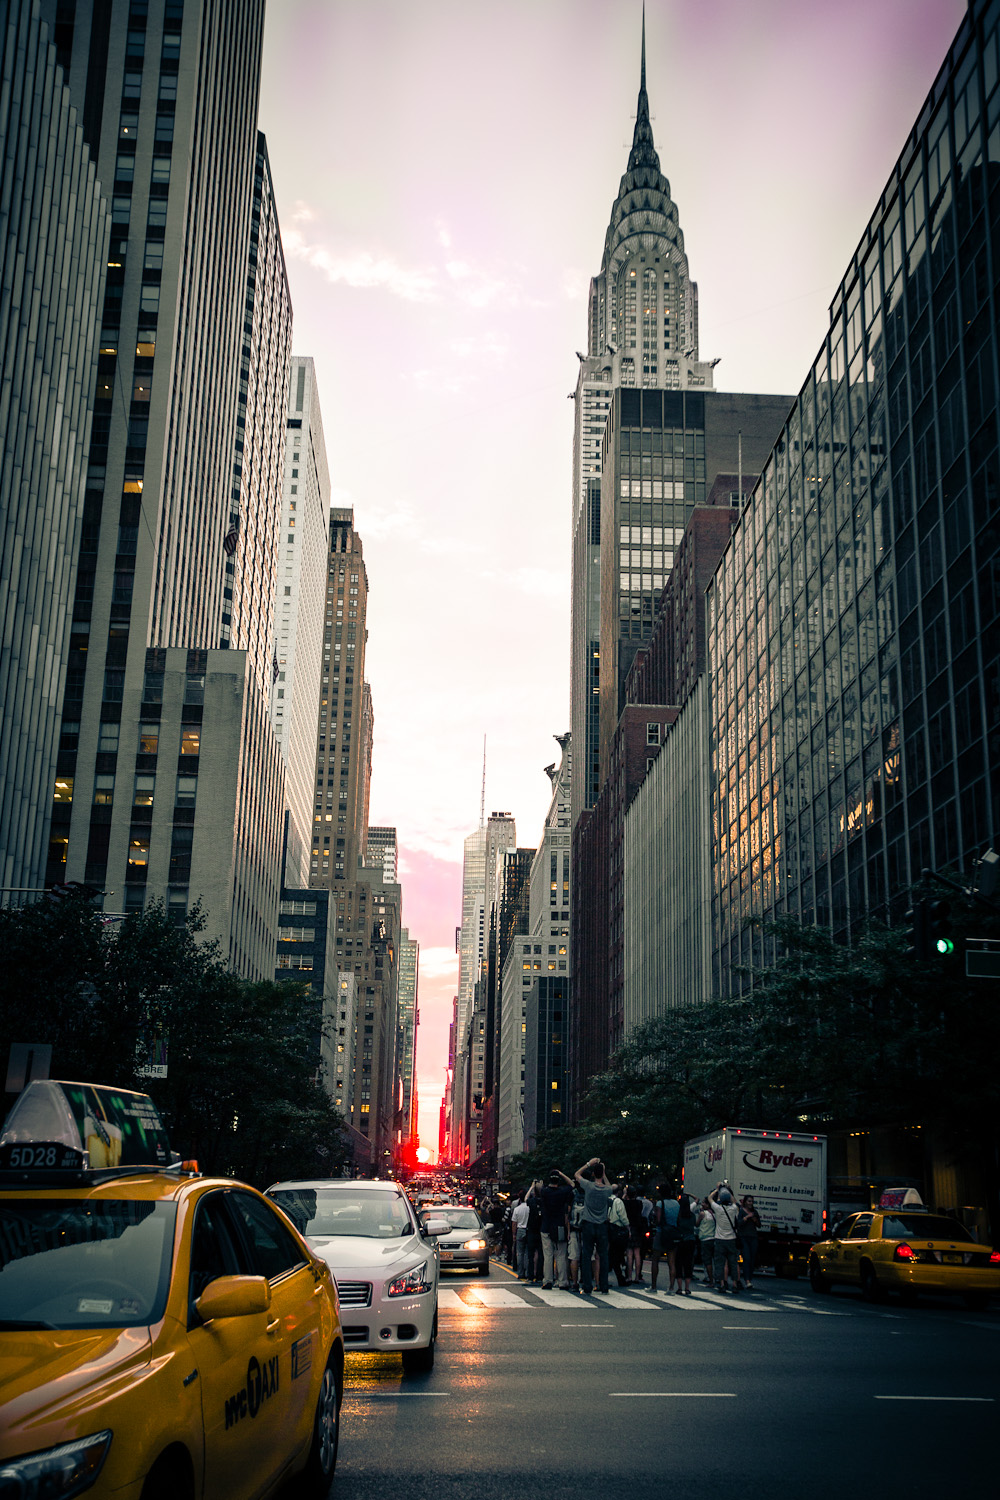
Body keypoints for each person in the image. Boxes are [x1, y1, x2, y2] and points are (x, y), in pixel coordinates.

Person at [573, 1156, 618, 1294]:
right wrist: (604, 1174)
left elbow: (576, 1174)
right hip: (602, 1225)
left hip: (588, 1224)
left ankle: (587, 1286)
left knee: (586, 1255)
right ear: (602, 1174)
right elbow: (612, 1186)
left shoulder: (588, 1186)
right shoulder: (607, 1190)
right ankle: (604, 1286)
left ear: (593, 1174)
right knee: (603, 1256)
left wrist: (588, 1164)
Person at [538, 1170, 573, 1289]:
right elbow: (572, 1185)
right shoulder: (562, 1191)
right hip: (559, 1226)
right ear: (558, 1180)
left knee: (548, 1255)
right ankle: (562, 1281)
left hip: (546, 1226)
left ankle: (548, 1280)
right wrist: (562, 1174)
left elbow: (538, 1188)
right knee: (561, 1255)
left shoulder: (544, 1192)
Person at [708, 1182, 741, 1293]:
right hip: (731, 1239)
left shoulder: (718, 1209)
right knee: (733, 1262)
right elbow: (735, 1202)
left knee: (720, 1263)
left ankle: (722, 1284)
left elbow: (710, 1198)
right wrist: (728, 1190)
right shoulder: (733, 1209)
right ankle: (735, 1284)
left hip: (720, 1239)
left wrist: (718, 1189)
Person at [651, 1182, 679, 1292]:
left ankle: (654, 1286)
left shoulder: (660, 1203)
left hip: (662, 1232)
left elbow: (658, 1220)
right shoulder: (676, 1204)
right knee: (671, 1261)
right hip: (673, 1232)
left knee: (655, 1259)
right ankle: (671, 1287)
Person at [736, 1194, 762, 1289]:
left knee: (752, 1259)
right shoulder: (741, 1211)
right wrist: (746, 1218)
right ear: (745, 1202)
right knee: (746, 1258)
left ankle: (749, 1279)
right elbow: (738, 1224)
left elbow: (759, 1225)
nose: (750, 1203)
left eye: (752, 1201)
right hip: (744, 1237)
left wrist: (755, 1220)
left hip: (753, 1237)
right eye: (749, 1201)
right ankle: (747, 1280)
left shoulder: (755, 1212)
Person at [608, 1188, 630, 1287]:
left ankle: (603, 1278)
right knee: (617, 1256)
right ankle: (621, 1279)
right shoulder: (618, 1201)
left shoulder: (605, 1200)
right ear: (618, 1192)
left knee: (608, 1255)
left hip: (606, 1228)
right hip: (617, 1230)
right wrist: (627, 1227)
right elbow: (623, 1216)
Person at [624, 1185, 646, 1284]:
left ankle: (629, 1276)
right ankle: (637, 1276)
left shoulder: (626, 1203)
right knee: (637, 1253)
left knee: (629, 1254)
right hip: (638, 1228)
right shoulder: (639, 1203)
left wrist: (624, 1195)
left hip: (629, 1227)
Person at [696, 1196, 716, 1285]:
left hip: (705, 1238)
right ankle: (717, 1278)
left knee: (707, 1260)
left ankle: (710, 1280)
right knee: (714, 1260)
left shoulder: (702, 1214)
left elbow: (697, 1224)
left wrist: (700, 1213)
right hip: (713, 1238)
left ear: (708, 1204)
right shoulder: (714, 1213)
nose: (702, 1204)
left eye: (704, 1203)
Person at [511, 1190, 530, 1278]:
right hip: (528, 1230)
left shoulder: (517, 1209)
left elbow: (514, 1223)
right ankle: (527, 1272)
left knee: (520, 1253)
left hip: (520, 1230)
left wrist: (514, 1234)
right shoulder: (530, 1207)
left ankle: (521, 1272)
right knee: (527, 1252)